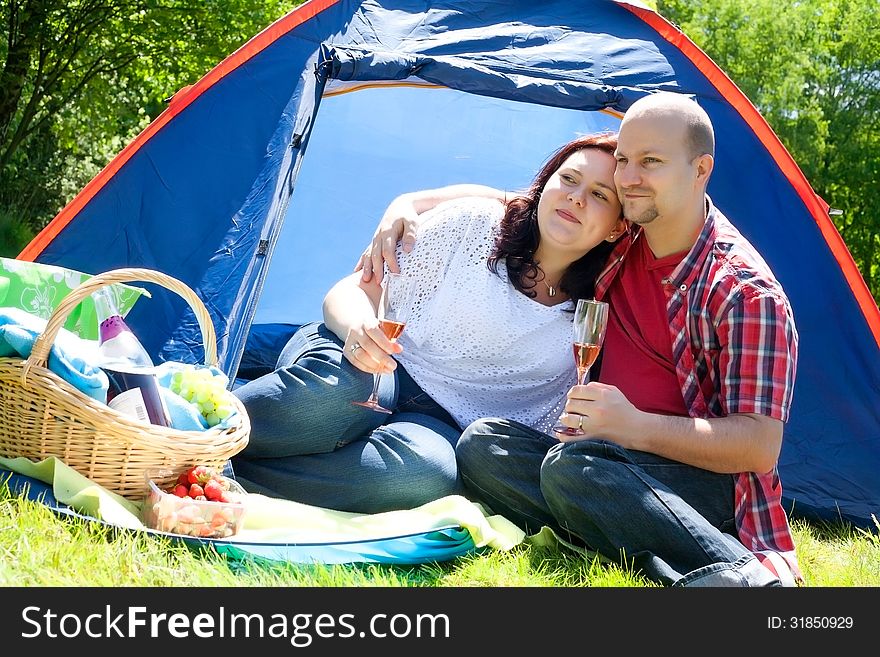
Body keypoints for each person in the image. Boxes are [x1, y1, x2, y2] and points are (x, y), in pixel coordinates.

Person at [358, 92, 801, 586]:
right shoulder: (621, 237)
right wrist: (407, 204)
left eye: (650, 162)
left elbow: (759, 447)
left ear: (701, 170)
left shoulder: (743, 292)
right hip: (603, 455)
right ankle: (609, 528)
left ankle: (739, 575)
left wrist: (634, 428)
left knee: (575, 468)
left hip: (694, 476)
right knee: (483, 444)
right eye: (626, 161)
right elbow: (529, 200)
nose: (629, 177)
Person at [231, 134, 626, 514]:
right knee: (336, 398)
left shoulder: (596, 312)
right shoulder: (474, 225)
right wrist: (357, 330)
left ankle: (222, 470)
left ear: (617, 227)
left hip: (436, 424)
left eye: (599, 195)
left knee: (426, 475)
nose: (576, 196)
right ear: (543, 187)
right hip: (375, 361)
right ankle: (191, 428)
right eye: (569, 179)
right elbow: (355, 290)